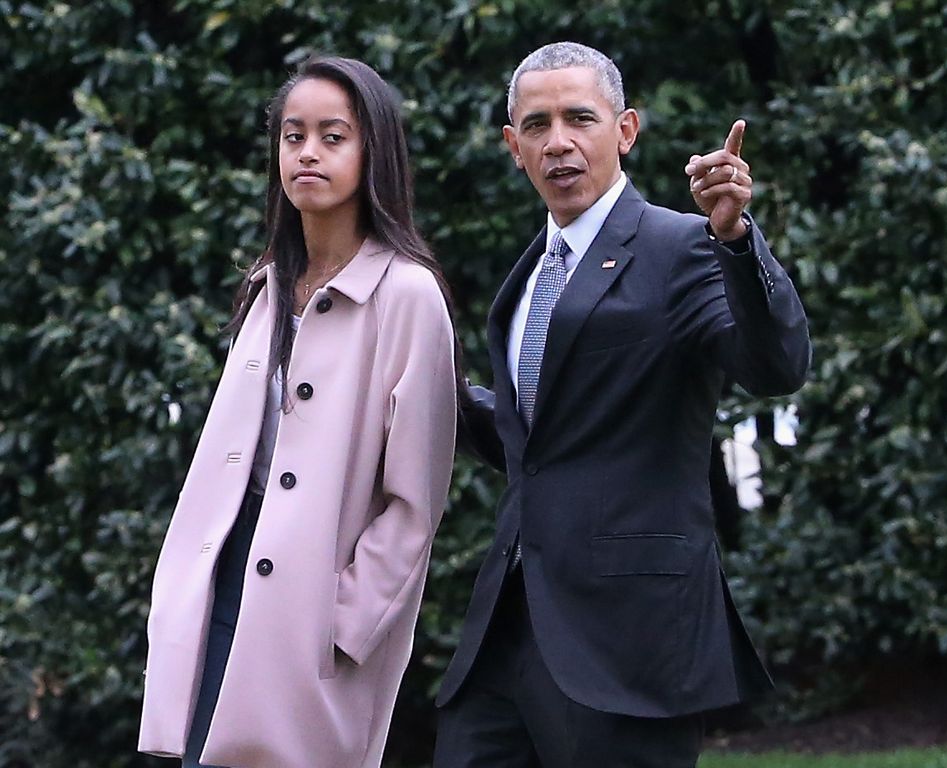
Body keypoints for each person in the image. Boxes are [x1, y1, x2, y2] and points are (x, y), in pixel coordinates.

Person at [434, 42, 811, 768]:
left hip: (627, 643)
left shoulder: (683, 246)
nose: (559, 142)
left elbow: (776, 365)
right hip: (508, 633)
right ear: (514, 147)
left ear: (626, 130)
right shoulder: (529, 276)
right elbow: (536, 444)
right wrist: (426, 392)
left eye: (580, 118)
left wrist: (734, 239)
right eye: (537, 126)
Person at [138, 55, 459, 768]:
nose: (308, 152)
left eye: (333, 136)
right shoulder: (266, 284)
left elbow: (416, 500)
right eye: (293, 135)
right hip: (224, 575)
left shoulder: (408, 297)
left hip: (313, 608)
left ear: (373, 151)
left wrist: (343, 623)